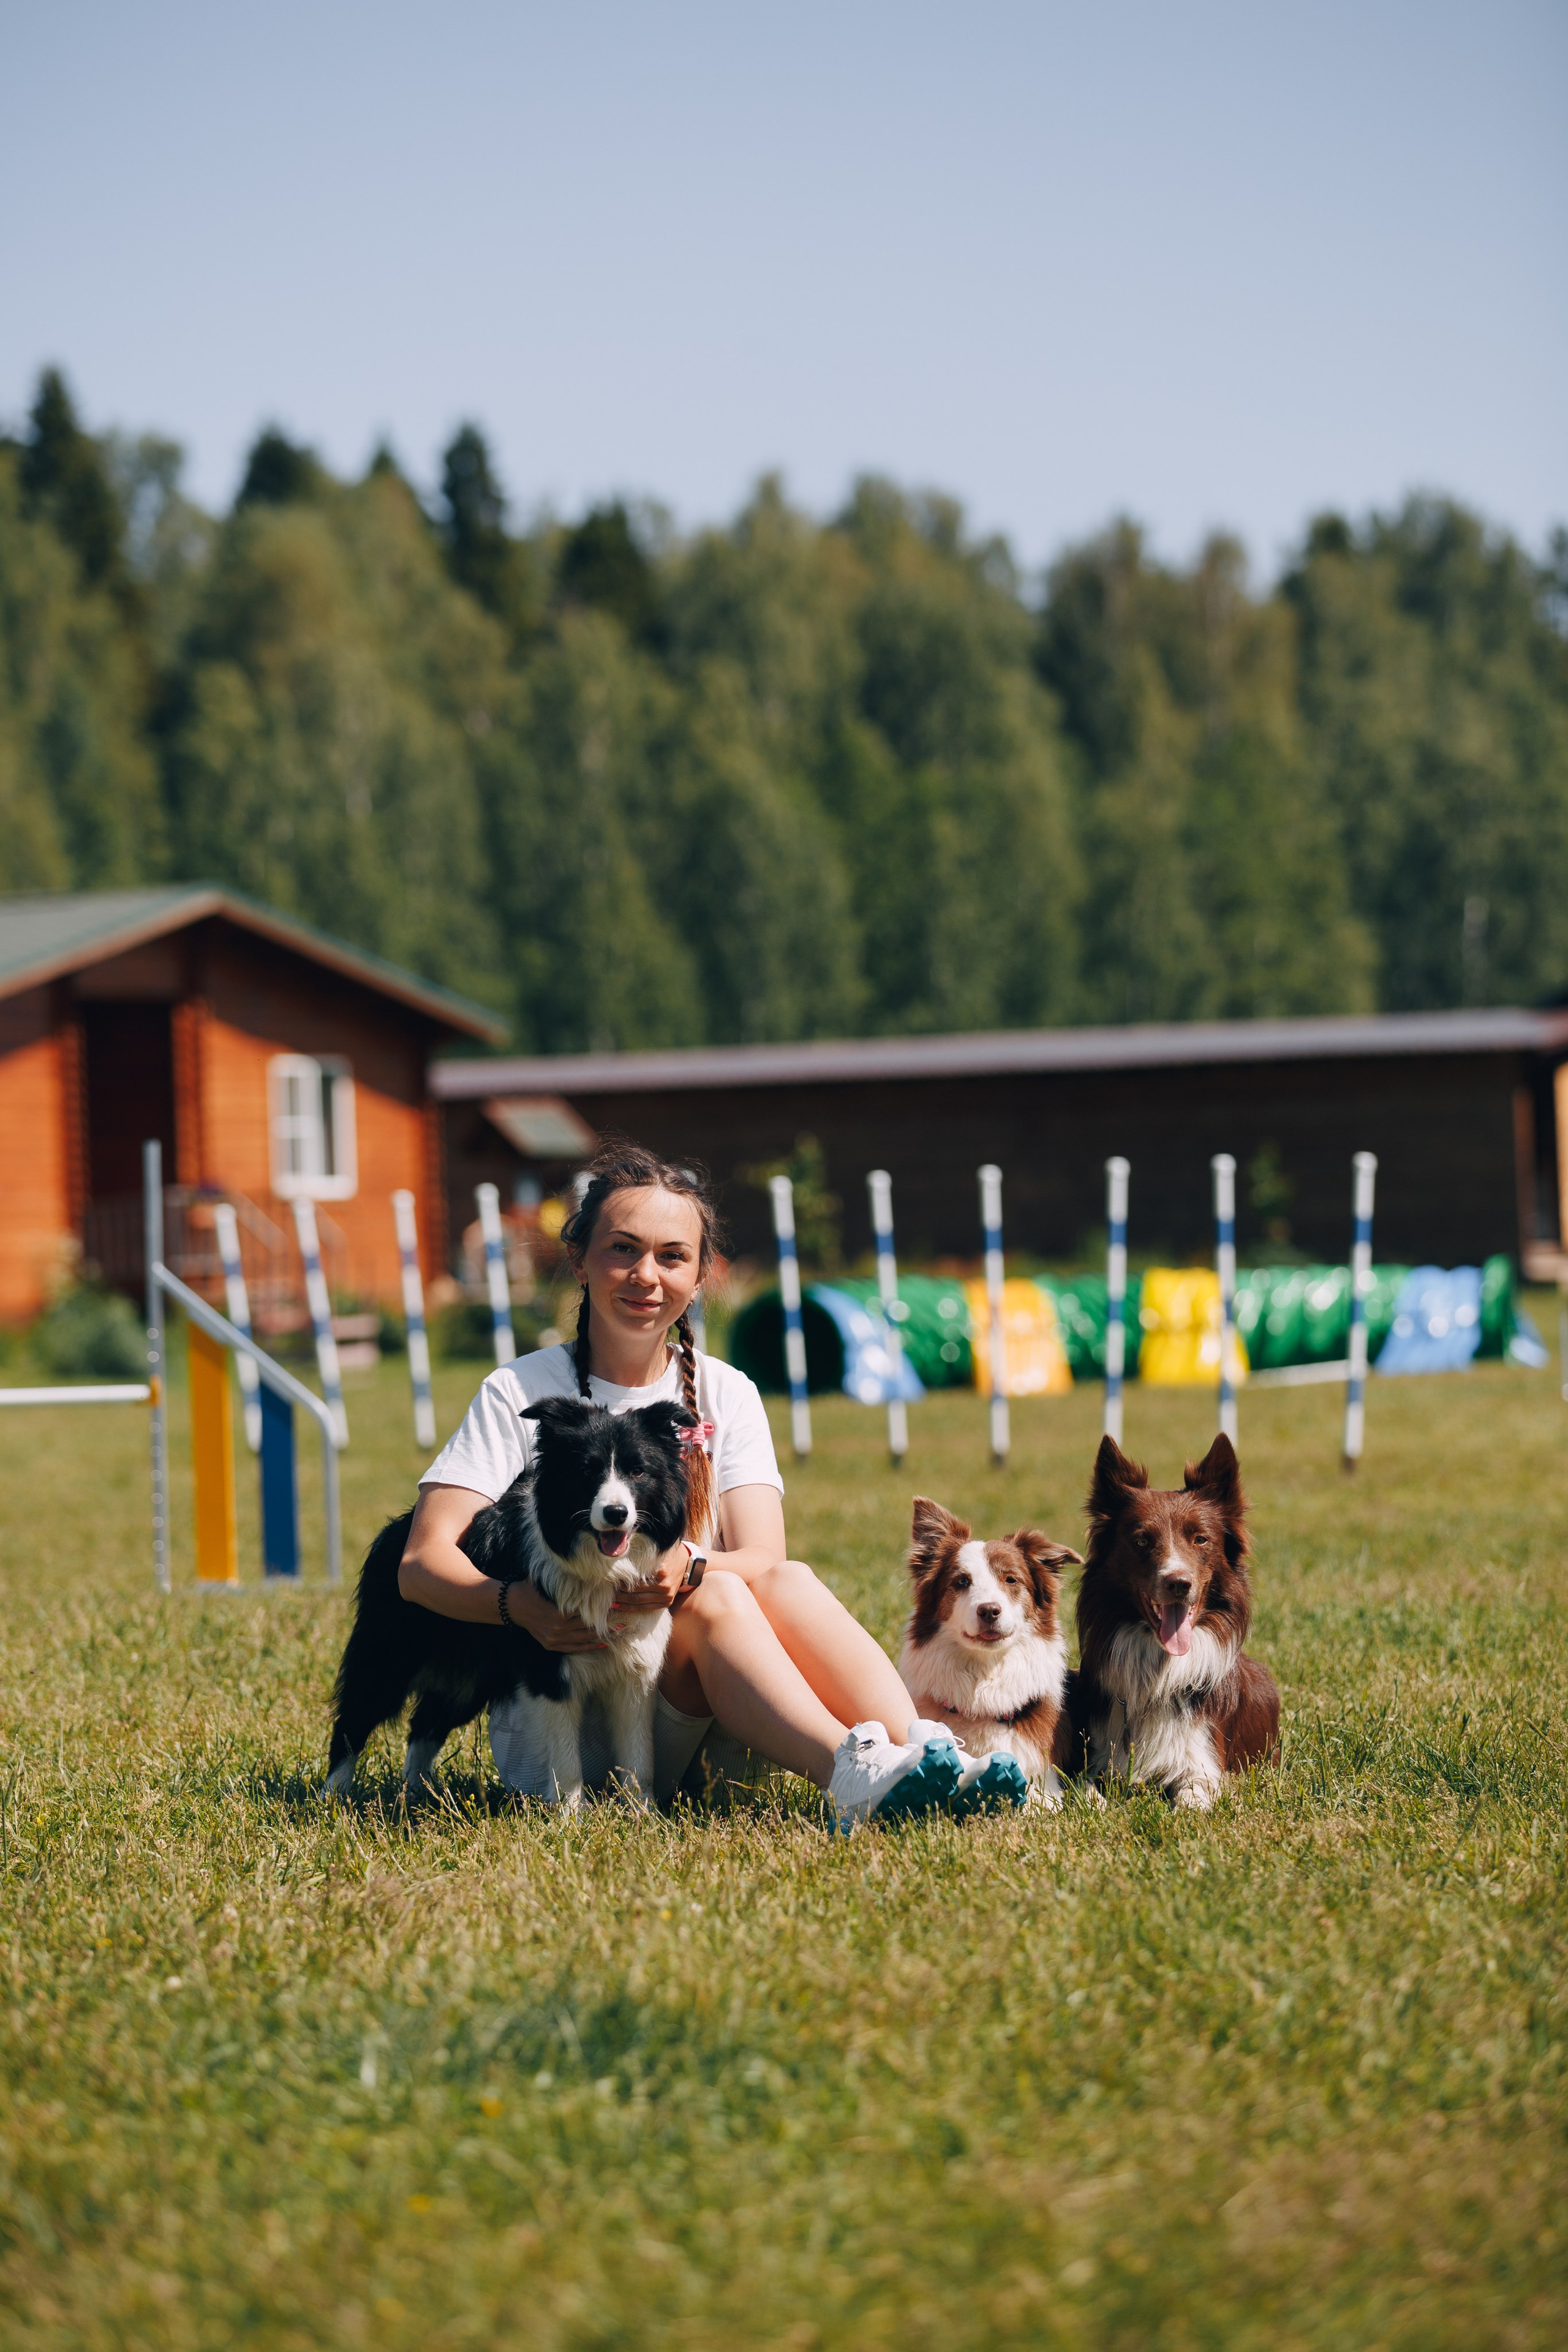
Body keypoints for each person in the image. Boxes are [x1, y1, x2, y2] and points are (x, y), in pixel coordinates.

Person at [398, 1141, 1026, 1826]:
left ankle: (928, 1756)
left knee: (778, 1577)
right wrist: (516, 1604)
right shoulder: (519, 1391)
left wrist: (683, 1565)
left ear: (700, 1276)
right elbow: (420, 1565)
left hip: (693, 1715)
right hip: (569, 1734)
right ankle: (849, 1775)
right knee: (716, 1586)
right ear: (578, 1260)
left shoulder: (726, 1392)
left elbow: (765, 1556)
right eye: (622, 1249)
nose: (646, 1274)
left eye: (672, 1256)